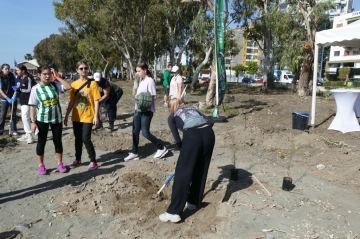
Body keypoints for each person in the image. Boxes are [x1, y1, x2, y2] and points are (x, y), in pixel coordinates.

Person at [159, 98, 215, 223]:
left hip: (192, 136)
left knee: (182, 173)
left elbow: (178, 140)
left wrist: (185, 151)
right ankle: (193, 201)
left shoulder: (172, 116)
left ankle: (173, 212)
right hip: (209, 134)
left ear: (170, 108)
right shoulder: (193, 109)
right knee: (201, 168)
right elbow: (210, 121)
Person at [28, 65, 71, 175]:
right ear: (39, 75)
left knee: (57, 141)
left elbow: (68, 87)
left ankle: (60, 163)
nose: (47, 76)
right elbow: (32, 106)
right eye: (45, 74)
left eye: (49, 74)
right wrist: (33, 122)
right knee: (41, 142)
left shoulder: (54, 85)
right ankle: (41, 165)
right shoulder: (35, 89)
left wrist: (57, 76)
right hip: (42, 119)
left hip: (56, 118)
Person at [124, 62, 168, 162]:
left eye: (139, 71)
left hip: (146, 111)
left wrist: (141, 99)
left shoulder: (150, 81)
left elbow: (154, 96)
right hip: (138, 110)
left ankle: (161, 148)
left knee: (145, 132)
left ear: (145, 70)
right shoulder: (142, 80)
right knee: (135, 131)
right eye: (137, 71)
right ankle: (134, 152)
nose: (137, 73)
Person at [64, 61, 101, 171]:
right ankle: (78, 159)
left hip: (88, 115)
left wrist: (96, 116)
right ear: (77, 70)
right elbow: (71, 101)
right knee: (78, 139)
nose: (84, 70)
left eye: (85, 68)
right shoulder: (74, 84)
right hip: (76, 116)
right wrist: (66, 116)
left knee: (86, 138)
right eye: (81, 68)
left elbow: (96, 101)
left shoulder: (93, 83)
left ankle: (93, 161)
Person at [15, 65, 37, 143]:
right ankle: (27, 134)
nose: (16, 71)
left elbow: (29, 90)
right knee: (24, 118)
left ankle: (30, 136)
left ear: (23, 71)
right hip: (22, 100)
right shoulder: (20, 79)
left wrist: (19, 89)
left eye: (18, 70)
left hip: (28, 101)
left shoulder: (28, 78)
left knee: (25, 117)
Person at [0, 63, 18, 135]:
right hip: (5, 98)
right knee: (3, 115)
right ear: (2, 69)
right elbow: (0, 90)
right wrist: (7, 98)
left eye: (8, 69)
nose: (7, 70)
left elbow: (15, 86)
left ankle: (13, 129)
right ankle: (1, 129)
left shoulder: (12, 76)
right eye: (6, 69)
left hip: (13, 97)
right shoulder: (0, 77)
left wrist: (14, 95)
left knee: (13, 114)